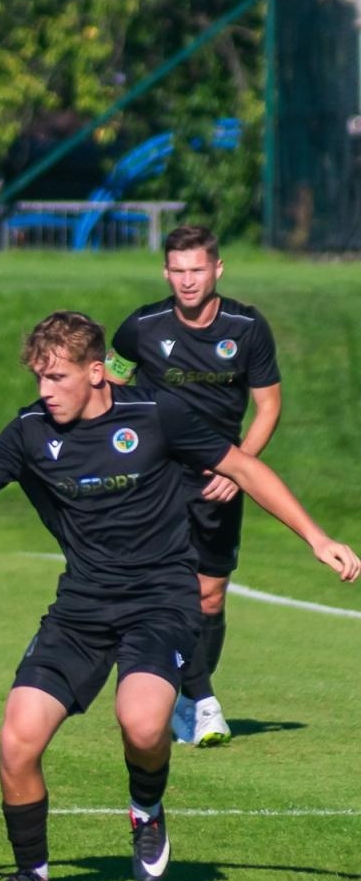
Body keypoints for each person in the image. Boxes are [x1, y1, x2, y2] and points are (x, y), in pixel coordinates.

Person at [0, 311, 356, 881]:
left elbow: (244, 468)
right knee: (17, 739)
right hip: (81, 607)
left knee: (141, 722)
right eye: (38, 378)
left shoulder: (156, 416)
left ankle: (146, 811)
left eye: (57, 378)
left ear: (97, 372)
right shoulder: (30, 430)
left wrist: (318, 538)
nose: (44, 391)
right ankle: (32, 870)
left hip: (161, 600)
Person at [105, 225, 282, 747]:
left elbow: (268, 405)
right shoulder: (142, 326)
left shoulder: (246, 328)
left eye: (197, 270)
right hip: (157, 480)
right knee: (169, 590)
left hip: (220, 478)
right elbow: (111, 382)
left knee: (209, 597)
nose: (187, 281)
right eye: (178, 271)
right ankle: (202, 703)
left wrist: (240, 467)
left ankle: (188, 698)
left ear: (217, 269)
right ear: (166, 272)